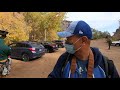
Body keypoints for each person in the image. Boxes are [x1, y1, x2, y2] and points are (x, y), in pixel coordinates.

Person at [48, 20, 119, 78]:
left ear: (83, 41)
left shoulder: (106, 65)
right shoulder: (64, 59)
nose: (65, 42)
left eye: (68, 39)